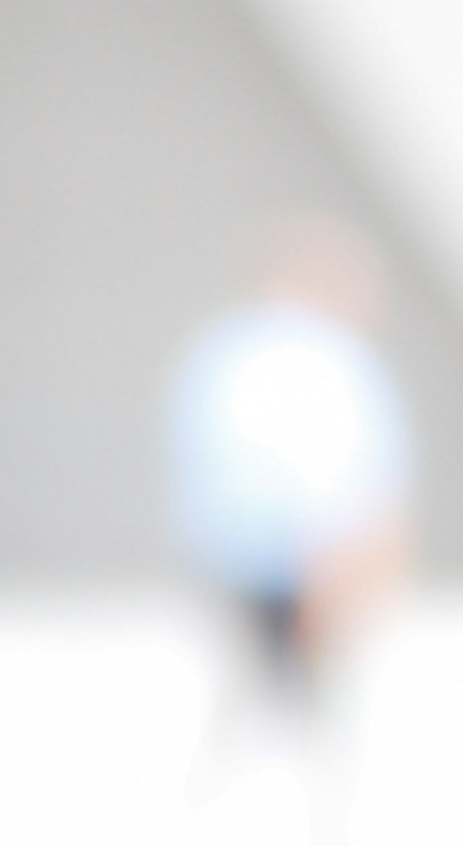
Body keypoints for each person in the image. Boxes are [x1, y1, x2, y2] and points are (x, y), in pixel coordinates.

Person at [168, 213, 414, 721]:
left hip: (241, 559)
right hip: (302, 558)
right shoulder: (319, 360)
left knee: (259, 702)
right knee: (297, 710)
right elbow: (346, 476)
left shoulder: (224, 352)